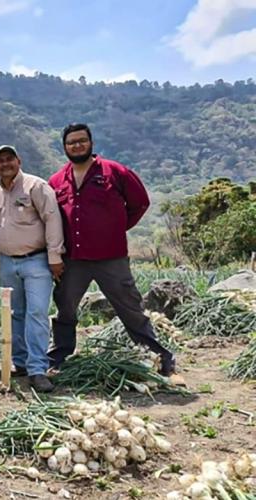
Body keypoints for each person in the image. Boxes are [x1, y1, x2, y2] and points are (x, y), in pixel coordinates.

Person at [48, 123, 176, 376]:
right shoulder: (56, 181)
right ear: (64, 147)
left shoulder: (115, 172)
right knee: (65, 308)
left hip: (111, 258)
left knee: (130, 307)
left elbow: (140, 203)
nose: (77, 145)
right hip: (74, 259)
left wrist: (117, 229)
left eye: (81, 140)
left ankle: (159, 356)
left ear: (91, 143)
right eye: (71, 142)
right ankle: (59, 356)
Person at [0, 145, 64, 393]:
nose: (6, 164)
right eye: (0, 161)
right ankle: (19, 363)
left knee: (37, 313)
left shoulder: (36, 186)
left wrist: (55, 257)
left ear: (19, 161)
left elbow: (52, 219)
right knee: (14, 313)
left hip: (37, 261)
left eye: (10, 159)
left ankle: (38, 369)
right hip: (8, 262)